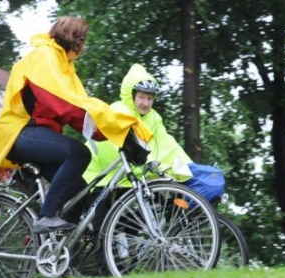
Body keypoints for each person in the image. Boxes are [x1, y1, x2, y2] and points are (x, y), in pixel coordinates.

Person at [0, 16, 152, 234]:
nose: (82, 46)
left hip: (39, 135)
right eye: (81, 40)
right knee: (79, 153)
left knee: (79, 193)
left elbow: (79, 113)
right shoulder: (45, 56)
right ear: (72, 38)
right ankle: (47, 216)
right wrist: (115, 125)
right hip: (21, 132)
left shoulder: (64, 64)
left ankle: (59, 247)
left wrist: (113, 131)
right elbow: (64, 103)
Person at [83, 64, 224, 202]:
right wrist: (154, 167)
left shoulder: (154, 117)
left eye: (149, 98)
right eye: (141, 97)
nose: (145, 103)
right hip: (99, 176)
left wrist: (187, 168)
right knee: (101, 217)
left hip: (127, 180)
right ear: (132, 96)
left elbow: (168, 146)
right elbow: (117, 151)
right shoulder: (119, 111)